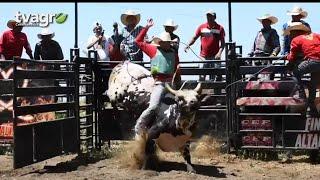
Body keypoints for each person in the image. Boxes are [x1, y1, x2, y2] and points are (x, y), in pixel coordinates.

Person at [134, 18, 180, 135]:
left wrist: (178, 73)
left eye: (168, 42)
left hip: (170, 84)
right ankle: (139, 126)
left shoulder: (174, 53)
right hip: (159, 83)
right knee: (153, 107)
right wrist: (147, 27)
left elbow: (176, 68)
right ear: (160, 42)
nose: (167, 43)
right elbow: (138, 41)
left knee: (178, 107)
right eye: (165, 42)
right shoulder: (152, 50)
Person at [284, 22, 320, 116]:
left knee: (294, 73)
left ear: (295, 32)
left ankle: (302, 94)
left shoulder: (296, 39)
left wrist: (287, 57)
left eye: (291, 33)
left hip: (312, 61)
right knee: (313, 84)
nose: (290, 35)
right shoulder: (316, 35)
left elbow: (291, 57)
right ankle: (311, 106)